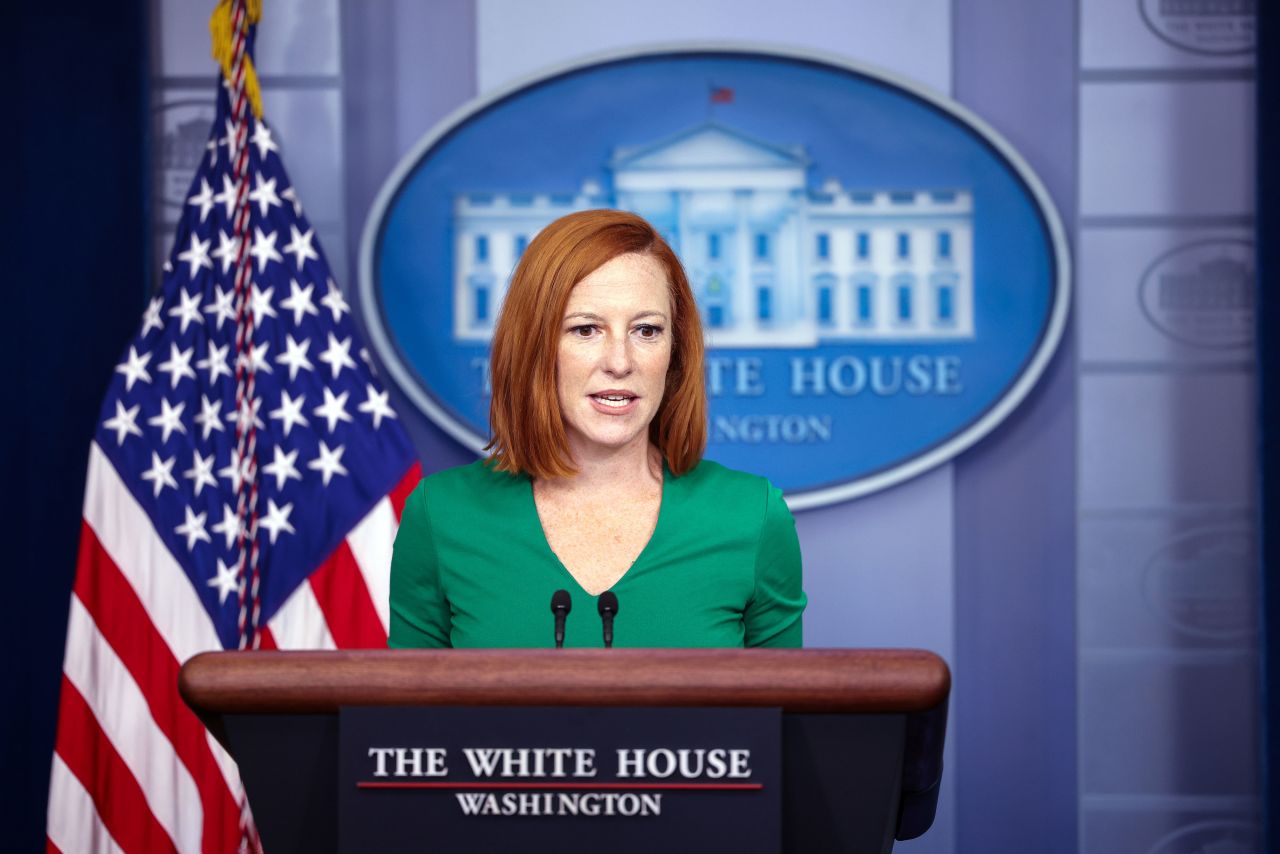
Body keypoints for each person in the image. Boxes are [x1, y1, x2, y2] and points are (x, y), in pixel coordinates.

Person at [388, 209, 805, 648]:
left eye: (646, 330)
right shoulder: (441, 515)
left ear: (675, 352)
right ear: (535, 346)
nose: (620, 362)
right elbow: (410, 716)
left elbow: (782, 716)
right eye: (586, 329)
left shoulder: (752, 516)